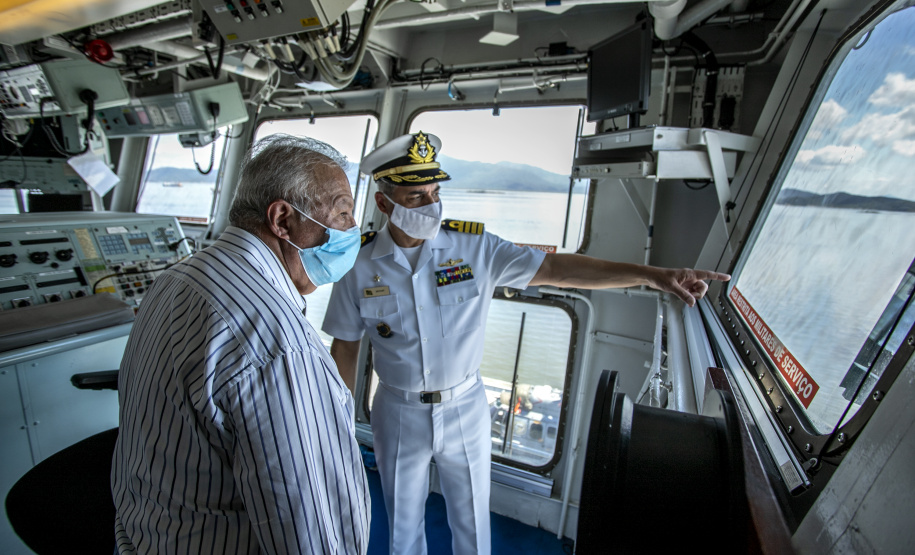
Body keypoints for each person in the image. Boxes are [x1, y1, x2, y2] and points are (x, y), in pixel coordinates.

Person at [321, 131, 730, 555]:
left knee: (472, 523)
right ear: (384, 203)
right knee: (401, 528)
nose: (431, 206)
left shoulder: (473, 247)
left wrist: (652, 275)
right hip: (398, 409)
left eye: (435, 192)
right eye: (415, 198)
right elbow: (346, 348)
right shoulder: (358, 265)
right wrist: (335, 423)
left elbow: (557, 268)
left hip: (464, 406)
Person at [111, 134, 370, 554]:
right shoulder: (279, 346)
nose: (353, 231)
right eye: (342, 214)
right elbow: (309, 528)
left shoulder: (178, 279)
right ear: (283, 219)